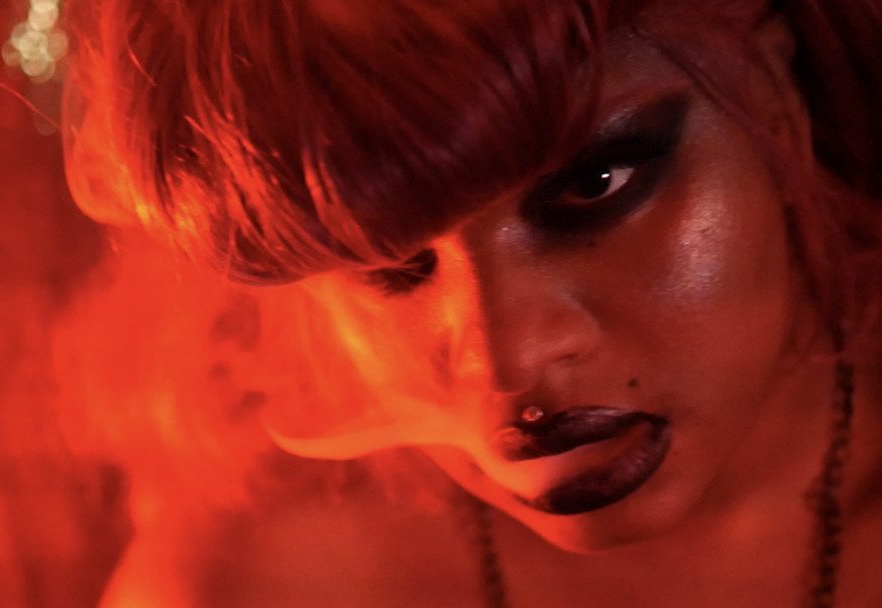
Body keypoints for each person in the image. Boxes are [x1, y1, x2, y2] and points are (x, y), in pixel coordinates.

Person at [59, 0, 882, 606]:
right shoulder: (258, 587)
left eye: (595, 184)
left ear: (772, 90)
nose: (509, 357)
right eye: (391, 263)